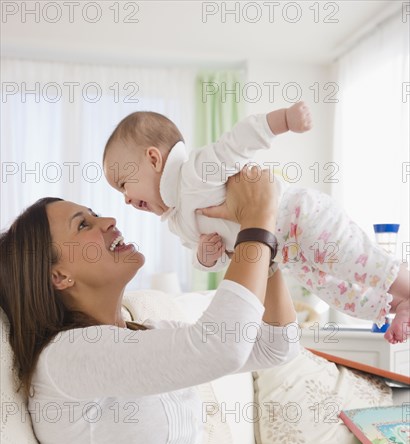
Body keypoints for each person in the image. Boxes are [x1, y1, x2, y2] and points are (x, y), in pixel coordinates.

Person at [0, 170, 409, 444]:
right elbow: (217, 345)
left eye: (94, 214)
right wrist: (256, 224)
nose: (108, 219)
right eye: (83, 225)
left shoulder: (148, 332)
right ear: (58, 277)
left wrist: (258, 245)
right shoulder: (68, 357)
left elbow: (273, 346)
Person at [102, 105, 410, 345]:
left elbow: (236, 143)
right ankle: (398, 306)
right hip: (288, 255)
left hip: (301, 216)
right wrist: (206, 257)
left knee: (358, 261)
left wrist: (283, 120)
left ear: (154, 159)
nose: (126, 200)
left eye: (124, 184)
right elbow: (224, 258)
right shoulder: (179, 223)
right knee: (337, 292)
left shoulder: (195, 172)